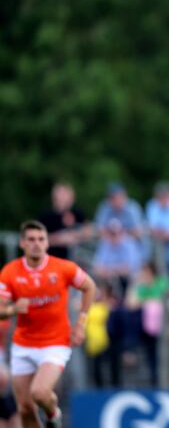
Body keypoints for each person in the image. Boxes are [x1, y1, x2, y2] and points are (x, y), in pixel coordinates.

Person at [0, 220, 96, 428]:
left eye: (41, 239)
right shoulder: (10, 272)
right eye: (31, 239)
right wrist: (13, 310)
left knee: (40, 393)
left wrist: (80, 323)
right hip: (23, 344)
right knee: (25, 409)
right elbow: (0, 311)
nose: (36, 243)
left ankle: (53, 414)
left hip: (55, 343)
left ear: (47, 243)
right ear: (22, 243)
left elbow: (89, 287)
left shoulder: (62, 268)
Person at [38, 182, 92, 259]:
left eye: (65, 194)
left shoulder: (77, 213)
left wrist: (75, 235)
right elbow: (38, 238)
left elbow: (89, 231)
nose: (63, 197)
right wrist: (59, 239)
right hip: (52, 258)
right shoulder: (46, 216)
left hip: (76, 259)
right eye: (60, 194)